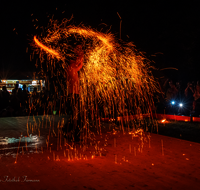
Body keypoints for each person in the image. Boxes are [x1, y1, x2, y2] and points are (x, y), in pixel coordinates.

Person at [64, 45, 84, 141]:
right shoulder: (70, 67)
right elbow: (78, 62)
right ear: (70, 61)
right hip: (73, 95)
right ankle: (70, 132)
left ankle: (70, 132)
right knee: (77, 116)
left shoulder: (72, 68)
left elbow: (80, 65)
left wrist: (81, 56)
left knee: (77, 115)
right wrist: (80, 52)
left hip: (74, 95)